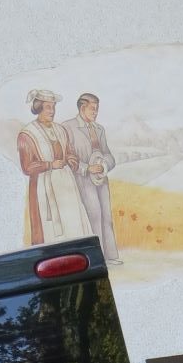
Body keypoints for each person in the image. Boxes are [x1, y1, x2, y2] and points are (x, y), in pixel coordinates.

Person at [18, 90, 92, 247]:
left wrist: (71, 159)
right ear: (38, 108)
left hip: (66, 186)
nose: (52, 111)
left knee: (72, 223)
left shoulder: (60, 130)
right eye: (47, 107)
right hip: (43, 189)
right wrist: (50, 165)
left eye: (53, 107)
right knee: (50, 231)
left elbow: (70, 152)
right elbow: (27, 167)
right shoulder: (27, 134)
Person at [63, 93, 122, 263]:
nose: (96, 112)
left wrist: (104, 166)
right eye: (93, 109)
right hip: (83, 179)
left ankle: (110, 256)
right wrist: (87, 168)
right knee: (94, 215)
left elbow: (109, 156)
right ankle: (97, 258)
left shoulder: (99, 129)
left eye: (97, 109)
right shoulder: (68, 127)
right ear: (82, 108)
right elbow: (68, 157)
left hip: (101, 178)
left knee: (106, 216)